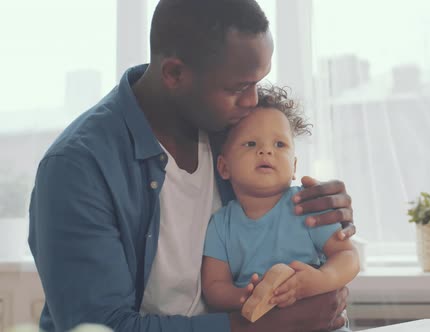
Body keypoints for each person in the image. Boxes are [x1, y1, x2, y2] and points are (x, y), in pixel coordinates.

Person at [28, 0, 354, 331]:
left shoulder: (230, 127)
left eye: (258, 82)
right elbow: (102, 326)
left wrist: (321, 211)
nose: (253, 101)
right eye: (238, 88)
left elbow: (276, 227)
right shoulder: (76, 169)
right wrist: (258, 327)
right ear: (174, 73)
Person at [201, 86, 359, 331]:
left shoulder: (307, 205)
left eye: (280, 144)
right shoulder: (222, 224)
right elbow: (213, 286)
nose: (266, 151)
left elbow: (347, 256)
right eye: (250, 143)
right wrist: (242, 296)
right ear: (224, 167)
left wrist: (320, 280)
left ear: (294, 166)